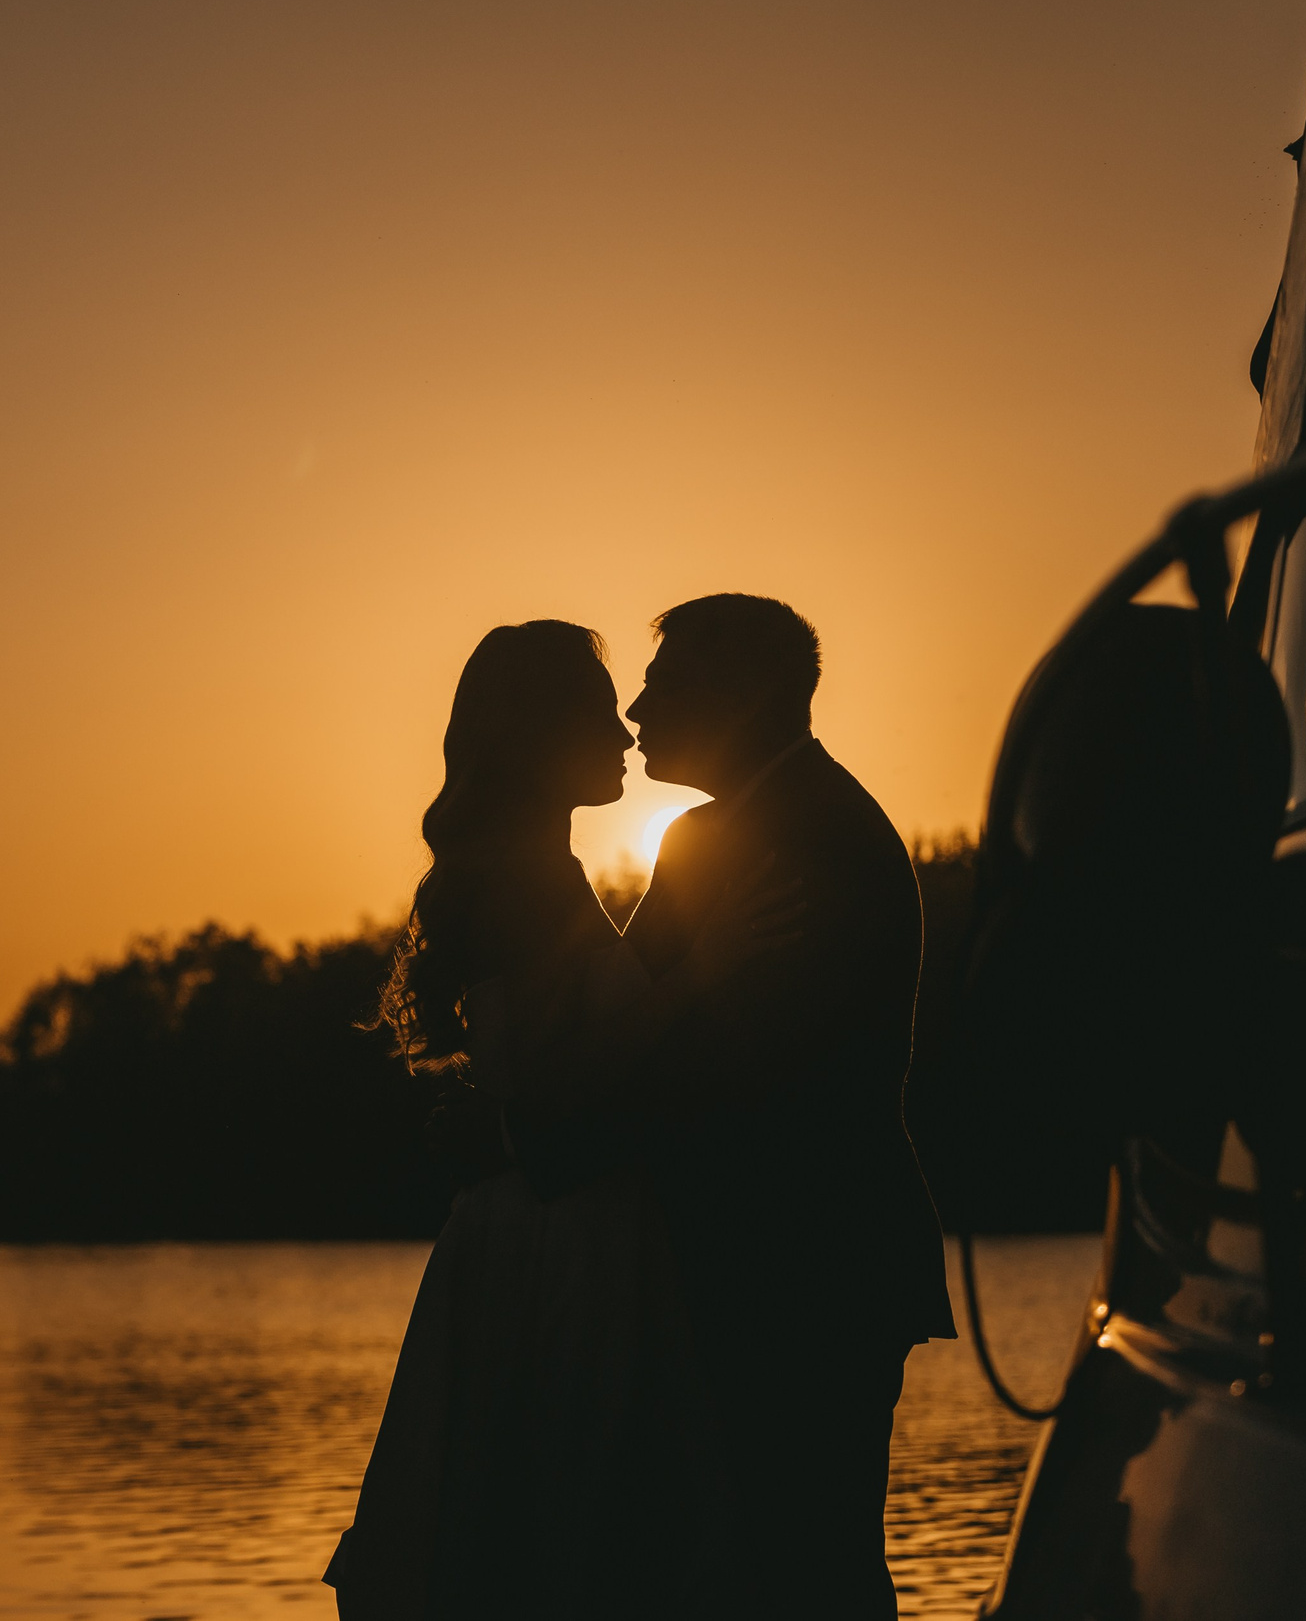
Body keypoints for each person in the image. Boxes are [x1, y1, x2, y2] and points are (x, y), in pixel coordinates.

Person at [325, 619, 791, 1621]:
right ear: (538, 734)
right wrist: (709, 971)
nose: (624, 731)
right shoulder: (519, 881)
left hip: (564, 1216)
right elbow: (545, 1075)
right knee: (560, 1523)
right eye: (594, 710)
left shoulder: (539, 868)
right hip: (555, 1233)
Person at [612, 593, 954, 1621]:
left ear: (748, 693)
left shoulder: (808, 838)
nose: (635, 710)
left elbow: (714, 1066)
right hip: (765, 1260)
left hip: (800, 1262)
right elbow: (631, 1020)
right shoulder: (729, 831)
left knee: (803, 1564)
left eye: (664, 683)